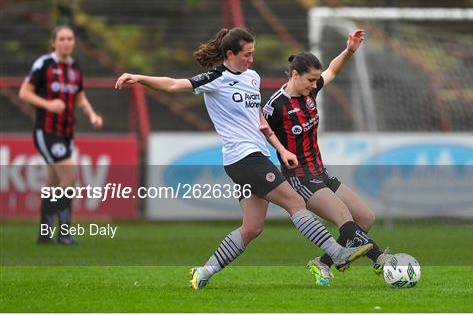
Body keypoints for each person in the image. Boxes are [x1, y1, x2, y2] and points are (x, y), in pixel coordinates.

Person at [115, 27, 372, 290]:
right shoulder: (216, 78)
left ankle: (203, 272)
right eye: (247, 54)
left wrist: (280, 149)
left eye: (253, 53)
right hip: (242, 158)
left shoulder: (252, 77)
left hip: (256, 156)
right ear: (230, 54)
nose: (251, 59)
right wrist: (138, 77)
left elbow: (258, 119)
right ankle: (334, 253)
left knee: (252, 228)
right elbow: (172, 84)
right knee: (295, 201)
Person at [263, 29, 391, 286]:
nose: (314, 84)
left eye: (315, 81)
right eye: (310, 80)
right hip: (298, 178)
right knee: (343, 216)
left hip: (320, 172)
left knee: (365, 217)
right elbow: (260, 130)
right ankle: (382, 261)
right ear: (294, 75)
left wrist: (349, 51)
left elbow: (331, 71)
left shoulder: (310, 93)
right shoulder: (275, 105)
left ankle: (322, 263)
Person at [19, 25, 103, 245]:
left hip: (66, 132)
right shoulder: (44, 64)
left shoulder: (75, 67)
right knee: (70, 176)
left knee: (53, 182)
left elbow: (80, 97)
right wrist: (48, 104)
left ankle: (45, 234)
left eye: (70, 39)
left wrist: (92, 114)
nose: (66, 42)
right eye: (62, 39)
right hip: (46, 131)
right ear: (54, 42)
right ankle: (64, 232)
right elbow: (24, 92)